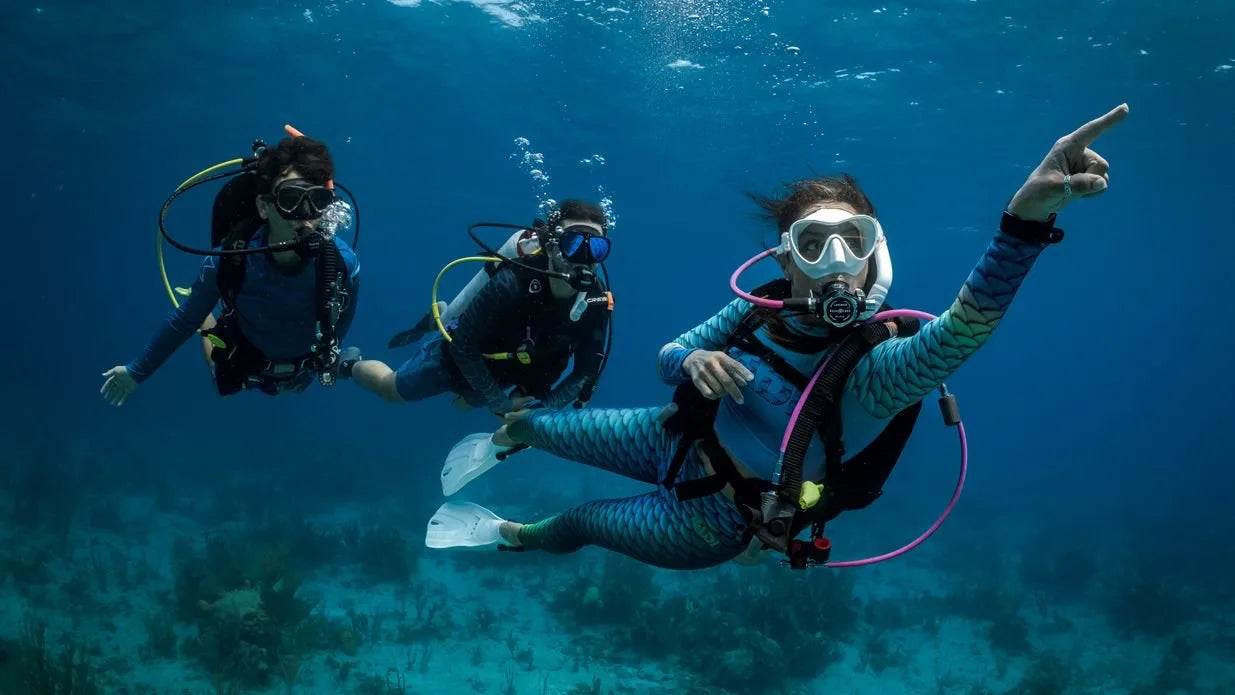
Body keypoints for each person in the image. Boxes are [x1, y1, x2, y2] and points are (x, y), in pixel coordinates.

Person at [424, 104, 1130, 571]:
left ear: (874, 255)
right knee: (538, 425)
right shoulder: (754, 311)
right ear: (784, 257)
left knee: (577, 521)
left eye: (852, 241)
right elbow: (669, 354)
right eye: (812, 243)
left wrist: (1022, 224)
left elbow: (963, 329)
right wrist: (693, 357)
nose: (833, 261)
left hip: (710, 522)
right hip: (664, 435)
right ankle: (505, 438)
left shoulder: (879, 369)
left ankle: (506, 533)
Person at [100, 134, 361, 404]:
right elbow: (182, 322)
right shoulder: (228, 259)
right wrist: (135, 373)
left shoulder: (343, 263)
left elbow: (341, 317)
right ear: (264, 206)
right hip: (246, 353)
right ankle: (204, 307)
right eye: (291, 198)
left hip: (302, 365)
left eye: (316, 200)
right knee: (220, 382)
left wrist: (322, 359)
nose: (304, 214)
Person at [346, 199, 613, 428]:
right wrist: (498, 402)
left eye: (597, 248)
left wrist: (542, 408)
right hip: (460, 359)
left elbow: (585, 372)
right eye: (574, 243)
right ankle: (347, 365)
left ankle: (468, 380)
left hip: (516, 368)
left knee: (465, 405)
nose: (584, 258)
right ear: (553, 244)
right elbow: (463, 346)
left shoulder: (597, 301)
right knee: (390, 389)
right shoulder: (513, 281)